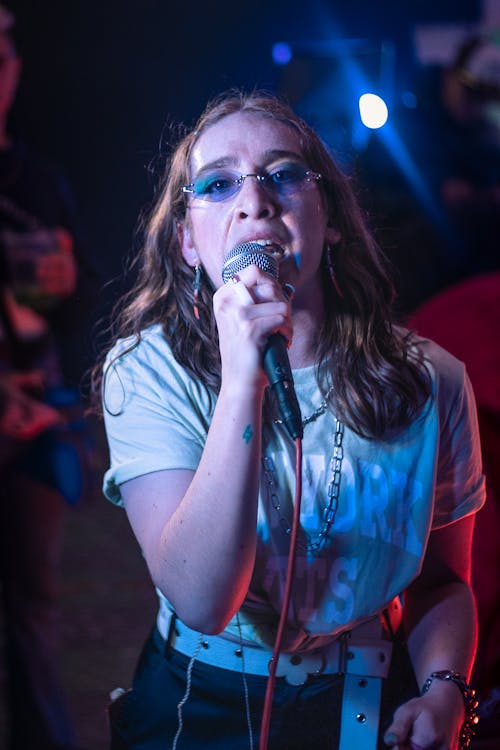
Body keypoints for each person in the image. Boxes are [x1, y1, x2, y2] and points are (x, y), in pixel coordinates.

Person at [96, 89, 485, 750]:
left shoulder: (432, 381)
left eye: (282, 174)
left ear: (329, 214)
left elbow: (445, 582)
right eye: (218, 184)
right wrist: (242, 370)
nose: (255, 198)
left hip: (368, 695)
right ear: (188, 242)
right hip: (202, 700)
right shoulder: (144, 371)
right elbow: (202, 597)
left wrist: (445, 686)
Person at [0, 5, 96, 748]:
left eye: (2, 54)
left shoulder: (39, 179)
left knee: (32, 602)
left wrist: (66, 285)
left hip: (35, 419)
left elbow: (82, 297)